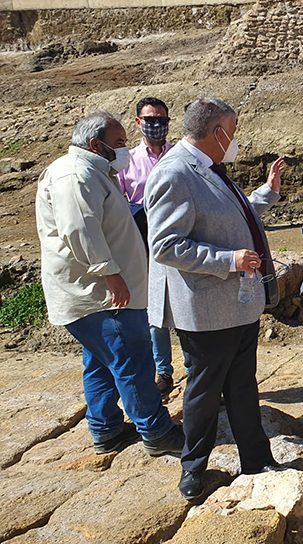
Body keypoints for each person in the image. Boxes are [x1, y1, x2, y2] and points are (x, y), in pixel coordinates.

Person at [145, 98, 286, 500]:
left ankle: (256, 458)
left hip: (238, 303)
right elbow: (167, 246)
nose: (236, 140)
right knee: (204, 392)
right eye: (233, 131)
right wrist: (229, 260)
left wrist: (266, 195)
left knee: (243, 386)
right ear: (217, 133)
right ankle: (193, 468)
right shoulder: (174, 173)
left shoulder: (210, 169)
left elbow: (229, 218)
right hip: (205, 308)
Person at [36, 111, 184, 457]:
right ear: (94, 144)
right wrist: (110, 274)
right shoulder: (75, 175)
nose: (125, 149)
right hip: (101, 294)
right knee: (132, 361)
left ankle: (107, 429)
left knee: (101, 363)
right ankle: (157, 432)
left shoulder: (94, 173)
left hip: (98, 293)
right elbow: (79, 230)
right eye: (118, 143)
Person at [116, 96, 177, 397]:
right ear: (138, 122)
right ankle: (163, 372)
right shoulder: (126, 162)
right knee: (155, 310)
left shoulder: (178, 155)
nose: (156, 125)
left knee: (184, 304)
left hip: (179, 239)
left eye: (161, 120)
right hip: (143, 244)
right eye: (150, 119)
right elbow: (118, 204)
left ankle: (198, 370)